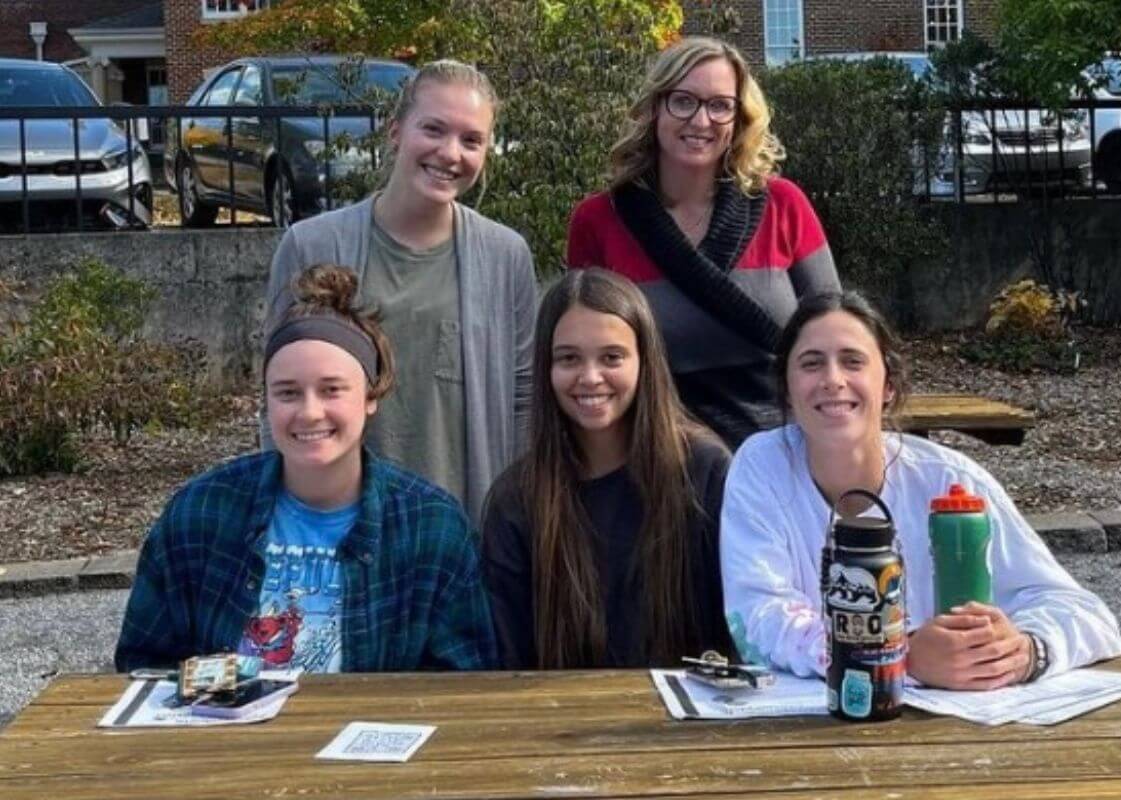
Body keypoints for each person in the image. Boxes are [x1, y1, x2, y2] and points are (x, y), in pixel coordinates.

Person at [720, 291, 1121, 690]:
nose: (832, 380)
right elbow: (757, 620)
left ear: (889, 385)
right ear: (787, 388)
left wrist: (1023, 653)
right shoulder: (761, 469)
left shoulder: (951, 481)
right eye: (811, 364)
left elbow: (1085, 613)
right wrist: (900, 656)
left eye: (853, 361)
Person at [115, 266, 497, 673]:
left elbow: (463, 682)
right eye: (288, 393)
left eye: (332, 389)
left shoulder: (431, 527)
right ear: (266, 399)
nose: (310, 412)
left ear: (371, 395)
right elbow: (144, 666)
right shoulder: (200, 513)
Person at [265, 60, 537, 523]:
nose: (451, 153)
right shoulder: (310, 245)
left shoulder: (505, 256)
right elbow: (277, 392)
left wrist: (512, 524)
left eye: (472, 140)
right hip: (338, 526)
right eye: (433, 129)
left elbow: (523, 400)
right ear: (395, 132)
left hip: (462, 528)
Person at [566, 36, 840, 448]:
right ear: (655, 108)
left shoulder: (785, 206)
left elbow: (837, 333)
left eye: (719, 105)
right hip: (654, 455)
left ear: (739, 119)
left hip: (782, 452)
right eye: (683, 100)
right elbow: (584, 351)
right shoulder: (599, 220)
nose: (700, 120)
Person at [481, 269, 733, 668]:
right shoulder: (516, 500)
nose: (590, 377)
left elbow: (738, 628)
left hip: (691, 718)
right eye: (569, 359)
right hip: (561, 718)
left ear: (644, 361)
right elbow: (510, 661)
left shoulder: (704, 471)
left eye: (611, 357)